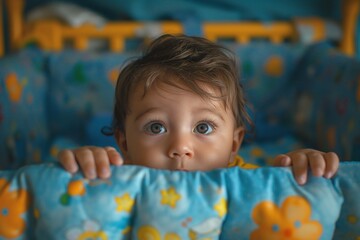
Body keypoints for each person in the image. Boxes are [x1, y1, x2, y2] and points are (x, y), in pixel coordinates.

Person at [58, 34, 339, 185]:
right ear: (124, 144)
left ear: (233, 143)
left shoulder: (250, 183)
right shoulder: (116, 178)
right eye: (156, 127)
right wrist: (86, 168)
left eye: (203, 127)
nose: (181, 148)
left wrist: (300, 169)